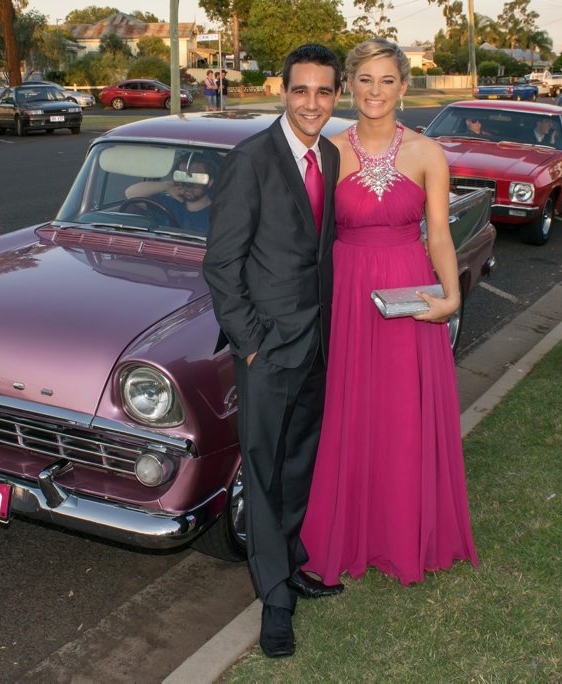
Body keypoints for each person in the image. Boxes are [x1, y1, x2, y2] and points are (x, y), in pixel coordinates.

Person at [299, 38, 478, 589]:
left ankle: (403, 536)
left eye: (387, 81)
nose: (375, 92)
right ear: (349, 84)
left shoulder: (428, 154)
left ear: (403, 87)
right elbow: (307, 237)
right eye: (365, 80)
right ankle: (348, 534)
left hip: (408, 297)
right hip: (348, 294)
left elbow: (441, 236)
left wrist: (450, 298)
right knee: (350, 414)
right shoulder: (328, 151)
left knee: (402, 418)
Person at [203, 44, 343, 659]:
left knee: (295, 468)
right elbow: (221, 265)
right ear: (281, 91)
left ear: (334, 96)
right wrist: (252, 345)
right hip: (268, 350)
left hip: (316, 346)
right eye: (301, 90)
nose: (312, 103)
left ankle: (288, 565)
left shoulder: (332, 157)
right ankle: (275, 602)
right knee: (262, 475)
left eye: (323, 92)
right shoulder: (251, 160)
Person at [124, 152, 218, 234]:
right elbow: (131, 193)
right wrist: (167, 185)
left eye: (196, 179)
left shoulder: (218, 214)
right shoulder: (167, 203)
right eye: (183, 177)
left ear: (209, 182)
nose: (188, 184)